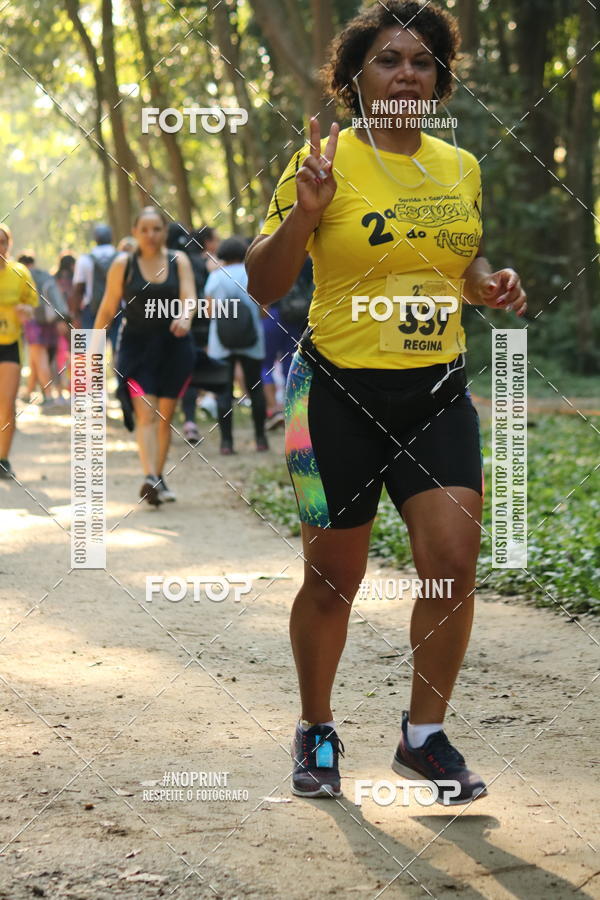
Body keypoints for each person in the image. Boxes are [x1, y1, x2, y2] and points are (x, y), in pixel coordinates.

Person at [246, 0, 527, 803]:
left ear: (438, 80)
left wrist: (488, 284)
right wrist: (304, 214)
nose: (407, 73)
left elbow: (459, 263)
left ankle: (423, 738)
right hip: (333, 392)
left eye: (422, 61)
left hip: (436, 392)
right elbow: (264, 283)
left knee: (453, 564)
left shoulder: (458, 166)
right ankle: (316, 728)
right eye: (388, 59)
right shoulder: (322, 161)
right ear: (355, 77)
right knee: (332, 579)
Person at [93, 206, 195, 506]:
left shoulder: (179, 260)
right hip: (136, 349)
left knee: (165, 417)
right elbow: (107, 308)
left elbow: (190, 298)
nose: (151, 235)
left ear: (165, 232)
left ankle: (157, 477)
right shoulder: (122, 264)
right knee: (146, 414)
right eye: (145, 229)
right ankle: (150, 477)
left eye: (157, 229)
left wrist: (185, 317)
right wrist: (92, 347)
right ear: (135, 232)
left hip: (174, 347)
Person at [205, 237, 267, 455]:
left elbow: (209, 311)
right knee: (255, 388)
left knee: (223, 392)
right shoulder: (253, 274)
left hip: (221, 342)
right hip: (251, 339)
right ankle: (260, 439)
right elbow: (263, 309)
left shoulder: (215, 276)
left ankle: (226, 443)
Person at [0, 226, 38, 478]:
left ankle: (2, 459)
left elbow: (32, 305)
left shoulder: (20, 272)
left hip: (9, 344)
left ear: (9, 244)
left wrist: (26, 310)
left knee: (6, 403)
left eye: (2, 242)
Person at [261, 257, 313, 430]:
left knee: (266, 364)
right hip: (298, 317)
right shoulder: (308, 258)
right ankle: (294, 412)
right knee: (292, 363)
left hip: (273, 314)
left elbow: (262, 288)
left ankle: (273, 410)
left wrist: (262, 312)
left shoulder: (273, 255)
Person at [18, 252, 62, 409]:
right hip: (50, 321)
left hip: (33, 321)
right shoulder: (45, 275)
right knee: (36, 359)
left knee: (40, 358)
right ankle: (29, 392)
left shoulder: (22, 275)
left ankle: (49, 395)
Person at [72, 224, 119, 351]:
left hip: (92, 310)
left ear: (95, 239)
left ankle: (92, 365)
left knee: (91, 352)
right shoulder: (121, 258)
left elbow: (78, 290)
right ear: (111, 238)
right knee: (119, 350)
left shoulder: (84, 260)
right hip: (117, 310)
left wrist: (76, 316)